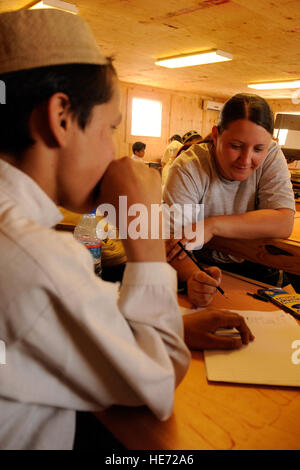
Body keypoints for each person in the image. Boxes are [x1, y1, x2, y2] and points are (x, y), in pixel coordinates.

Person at [0, 10, 253, 450]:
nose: (114, 151)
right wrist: (145, 220)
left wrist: (171, 321)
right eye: (110, 128)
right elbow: (154, 384)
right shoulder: (35, 255)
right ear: (61, 117)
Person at [164, 93, 296, 305]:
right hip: (202, 265)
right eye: (235, 146)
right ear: (216, 136)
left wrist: (212, 225)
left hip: (259, 267)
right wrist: (194, 276)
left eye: (258, 149)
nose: (245, 160)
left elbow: (283, 222)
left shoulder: (272, 155)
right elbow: (172, 243)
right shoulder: (189, 166)